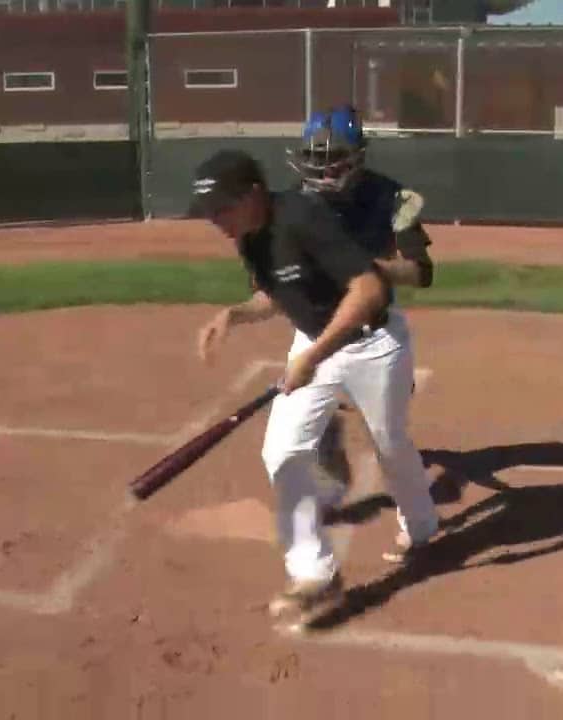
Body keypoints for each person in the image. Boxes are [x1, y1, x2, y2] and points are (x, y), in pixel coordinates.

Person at [188, 148, 440, 630]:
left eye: (223, 207)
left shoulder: (303, 218)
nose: (216, 219)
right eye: (209, 212)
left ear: (254, 194)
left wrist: (313, 357)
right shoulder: (249, 237)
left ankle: (422, 522)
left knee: (389, 445)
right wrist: (235, 314)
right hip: (315, 344)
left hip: (372, 345)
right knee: (281, 451)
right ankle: (314, 573)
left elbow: (368, 290)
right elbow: (283, 292)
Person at [286, 105, 436, 513]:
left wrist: (365, 269)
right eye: (317, 158)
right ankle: (328, 448)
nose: (326, 168)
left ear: (357, 156)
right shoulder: (293, 206)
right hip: (319, 326)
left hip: (375, 329)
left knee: (386, 435)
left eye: (335, 158)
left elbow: (421, 272)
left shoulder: (391, 198)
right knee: (300, 428)